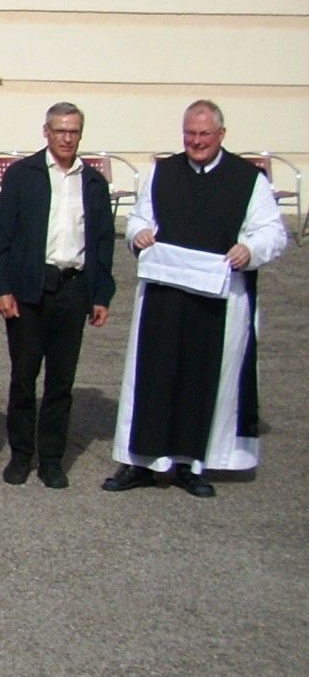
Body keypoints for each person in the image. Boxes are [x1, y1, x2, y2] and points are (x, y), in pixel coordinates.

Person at [106, 100, 289, 495]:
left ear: (222, 135)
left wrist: (250, 250)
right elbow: (140, 218)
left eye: (204, 134)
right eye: (190, 133)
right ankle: (140, 463)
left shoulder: (247, 179)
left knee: (202, 378)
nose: (196, 141)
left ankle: (191, 464)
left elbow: (273, 233)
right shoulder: (162, 172)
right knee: (153, 376)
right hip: (164, 295)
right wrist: (139, 235)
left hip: (219, 300)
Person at [0, 102, 115, 490]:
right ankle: (21, 454)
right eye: (59, 130)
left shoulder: (92, 183)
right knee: (24, 378)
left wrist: (100, 294)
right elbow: (2, 236)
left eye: (73, 131)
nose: (66, 138)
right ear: (46, 132)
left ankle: (52, 459)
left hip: (72, 289)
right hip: (28, 289)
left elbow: (103, 242)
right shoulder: (23, 176)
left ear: (80, 134)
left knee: (61, 382)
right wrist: (2, 288)